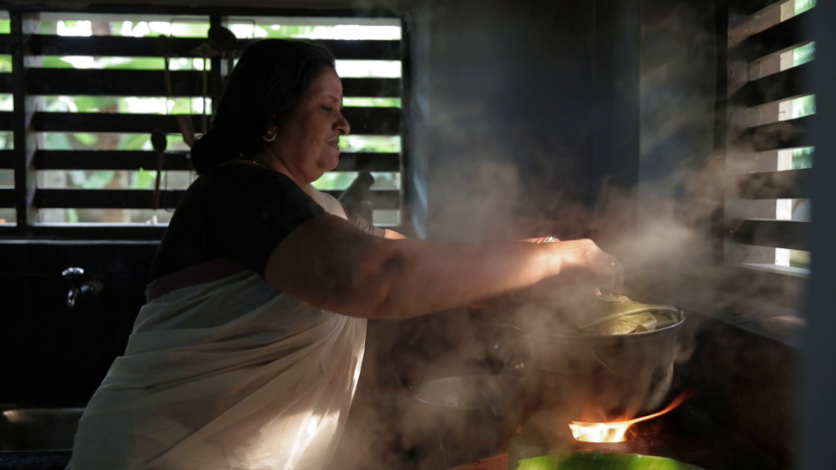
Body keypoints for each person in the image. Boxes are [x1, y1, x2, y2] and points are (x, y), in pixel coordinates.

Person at [67, 39, 622, 470]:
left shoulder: (316, 210)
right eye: (327, 106)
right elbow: (378, 275)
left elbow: (407, 255)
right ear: (272, 117)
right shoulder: (235, 189)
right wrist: (560, 259)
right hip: (163, 452)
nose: (345, 123)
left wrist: (539, 252)